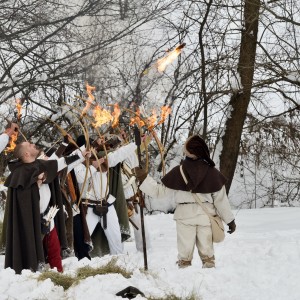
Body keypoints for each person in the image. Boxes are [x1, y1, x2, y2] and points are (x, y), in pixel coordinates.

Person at [136, 135, 236, 268]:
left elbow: (158, 192)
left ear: (190, 151)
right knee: (208, 258)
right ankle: (208, 280)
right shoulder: (212, 173)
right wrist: (230, 220)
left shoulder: (179, 171)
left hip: (184, 216)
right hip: (205, 217)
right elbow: (221, 201)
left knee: (184, 258)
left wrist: (143, 178)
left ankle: (185, 279)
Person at [4, 141, 88, 274]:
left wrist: (80, 155)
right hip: (30, 223)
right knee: (34, 254)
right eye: (30, 145)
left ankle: (58, 277)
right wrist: (36, 183)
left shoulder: (39, 164)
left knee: (54, 251)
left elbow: (59, 163)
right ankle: (34, 280)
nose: (33, 145)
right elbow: (23, 200)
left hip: (48, 217)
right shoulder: (18, 174)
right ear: (26, 154)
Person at [74, 135, 137, 256]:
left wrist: (135, 143)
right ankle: (77, 264)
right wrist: (94, 167)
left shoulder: (101, 158)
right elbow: (80, 177)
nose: (91, 149)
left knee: (116, 238)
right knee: (82, 240)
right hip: (88, 207)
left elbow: (119, 155)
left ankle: (119, 264)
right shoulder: (77, 162)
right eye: (88, 147)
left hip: (107, 206)